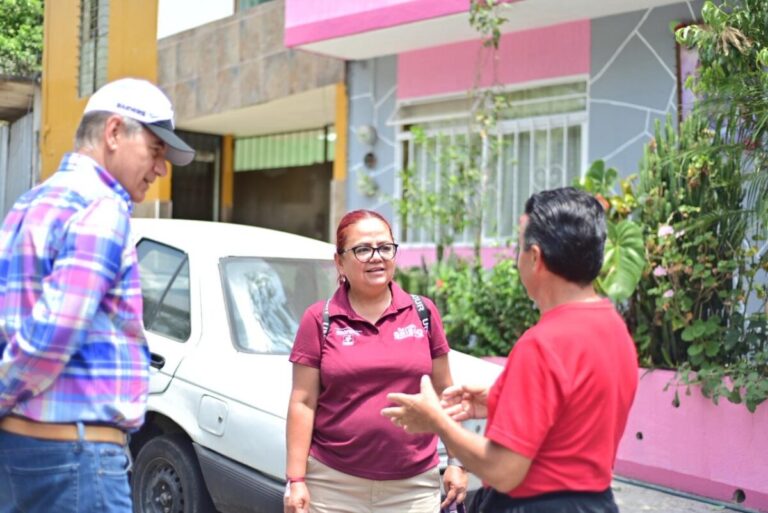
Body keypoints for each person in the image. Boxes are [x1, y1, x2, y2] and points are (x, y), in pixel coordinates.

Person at [0, 78, 195, 513]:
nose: (161, 169)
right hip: (75, 461)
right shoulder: (102, 207)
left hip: (18, 454)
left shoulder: (27, 205)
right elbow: (55, 332)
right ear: (114, 132)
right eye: (155, 151)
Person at [383, 187, 639, 513]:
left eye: (519, 247)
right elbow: (578, 408)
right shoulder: (613, 328)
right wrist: (501, 399)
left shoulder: (543, 344)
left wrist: (437, 422)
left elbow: (503, 471)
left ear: (535, 257)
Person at [285, 209, 468, 513]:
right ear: (339, 261)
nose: (376, 257)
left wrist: (457, 461)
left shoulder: (423, 312)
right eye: (363, 249)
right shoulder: (319, 319)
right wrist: (296, 480)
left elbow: (445, 391)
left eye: (384, 247)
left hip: (413, 487)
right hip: (333, 485)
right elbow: (303, 402)